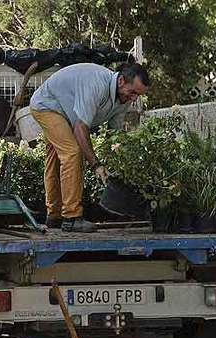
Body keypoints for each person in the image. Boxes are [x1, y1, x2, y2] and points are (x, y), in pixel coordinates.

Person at [30, 62, 150, 232]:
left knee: (56, 158)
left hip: (64, 112)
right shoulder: (96, 84)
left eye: (138, 95)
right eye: (133, 93)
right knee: (72, 153)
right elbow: (80, 128)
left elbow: (114, 136)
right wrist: (96, 165)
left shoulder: (123, 99)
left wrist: (121, 163)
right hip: (47, 105)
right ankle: (71, 218)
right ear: (121, 80)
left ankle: (54, 216)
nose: (134, 99)